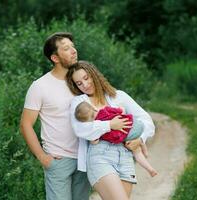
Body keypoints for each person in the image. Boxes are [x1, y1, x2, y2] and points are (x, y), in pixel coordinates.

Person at [66, 60, 155, 200]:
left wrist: (140, 139)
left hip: (125, 156)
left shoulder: (118, 96)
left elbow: (146, 120)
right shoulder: (80, 102)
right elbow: (80, 129)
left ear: (93, 74)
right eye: (79, 83)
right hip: (100, 156)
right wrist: (109, 125)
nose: (85, 84)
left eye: (86, 78)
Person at [19, 32, 92, 200]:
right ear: (55, 58)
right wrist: (42, 157)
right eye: (66, 48)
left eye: (73, 47)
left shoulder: (81, 82)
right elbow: (26, 124)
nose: (74, 51)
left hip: (84, 157)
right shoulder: (40, 86)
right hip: (58, 159)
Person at [74, 101, 157, 177]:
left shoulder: (97, 127)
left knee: (136, 151)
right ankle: (148, 163)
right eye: (92, 118)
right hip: (134, 124)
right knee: (135, 145)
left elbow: (95, 141)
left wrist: (93, 141)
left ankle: (149, 167)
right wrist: (120, 112)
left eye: (92, 116)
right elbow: (121, 110)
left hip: (128, 133)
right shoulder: (106, 110)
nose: (95, 118)